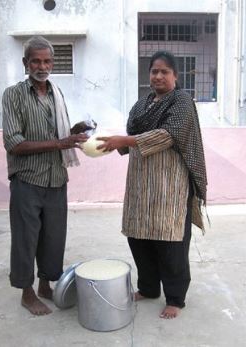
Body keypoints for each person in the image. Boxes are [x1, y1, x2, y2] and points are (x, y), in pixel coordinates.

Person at [97, 50, 207, 319]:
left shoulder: (181, 101)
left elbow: (167, 135)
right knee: (139, 238)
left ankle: (175, 298)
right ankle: (148, 288)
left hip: (171, 185)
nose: (158, 76)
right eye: (154, 71)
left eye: (164, 71)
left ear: (175, 76)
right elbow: (132, 136)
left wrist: (123, 141)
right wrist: (110, 145)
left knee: (171, 243)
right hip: (139, 184)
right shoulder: (141, 104)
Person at [1, 36, 89, 316]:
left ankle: (44, 285)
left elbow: (59, 133)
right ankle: (27, 294)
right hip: (27, 179)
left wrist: (75, 131)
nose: (42, 66)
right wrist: (59, 143)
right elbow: (13, 142)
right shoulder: (14, 95)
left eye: (47, 60)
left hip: (56, 178)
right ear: (25, 63)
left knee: (53, 237)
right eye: (36, 60)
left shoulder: (56, 93)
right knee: (26, 239)